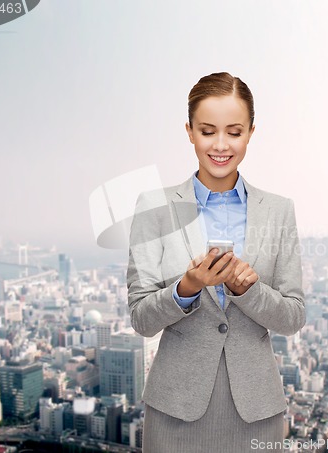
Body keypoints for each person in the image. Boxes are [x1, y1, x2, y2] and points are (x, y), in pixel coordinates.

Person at [127, 72, 305, 453]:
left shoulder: (278, 211)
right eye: (208, 131)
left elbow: (293, 317)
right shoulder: (154, 209)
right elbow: (141, 319)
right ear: (189, 132)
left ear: (251, 133)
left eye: (234, 132)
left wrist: (250, 292)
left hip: (256, 412)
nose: (221, 145)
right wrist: (185, 289)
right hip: (175, 410)